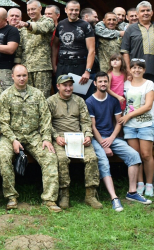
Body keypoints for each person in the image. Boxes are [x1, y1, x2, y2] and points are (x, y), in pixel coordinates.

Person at [0, 65, 61, 212]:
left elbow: (45, 118)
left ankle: (49, 199)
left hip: (33, 135)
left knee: (50, 157)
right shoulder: (6, 96)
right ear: (12, 76)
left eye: (24, 75)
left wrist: (46, 138)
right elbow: (3, 123)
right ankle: (11, 197)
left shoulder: (37, 94)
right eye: (18, 75)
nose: (22, 78)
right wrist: (13, 139)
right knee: (4, 155)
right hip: (11, 136)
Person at [86, 72, 150, 208]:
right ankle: (114, 197)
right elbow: (92, 127)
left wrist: (111, 138)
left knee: (134, 155)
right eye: (100, 81)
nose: (103, 84)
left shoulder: (113, 100)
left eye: (105, 81)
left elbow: (119, 122)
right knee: (103, 161)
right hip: (97, 139)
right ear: (95, 83)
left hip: (112, 137)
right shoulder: (89, 102)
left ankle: (132, 192)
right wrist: (104, 145)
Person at [46, 75, 102, 209]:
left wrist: (88, 135)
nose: (68, 88)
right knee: (61, 159)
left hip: (78, 138)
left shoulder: (79, 101)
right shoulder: (51, 101)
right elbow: (46, 123)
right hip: (61, 138)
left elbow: (86, 121)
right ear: (58, 86)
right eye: (64, 85)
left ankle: (91, 195)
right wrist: (55, 137)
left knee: (92, 158)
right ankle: (64, 194)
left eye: (70, 85)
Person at [120, 59, 154, 198]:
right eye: (134, 67)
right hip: (130, 126)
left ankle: (149, 184)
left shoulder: (149, 84)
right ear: (130, 69)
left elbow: (147, 106)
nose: (136, 70)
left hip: (145, 124)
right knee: (136, 156)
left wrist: (128, 116)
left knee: (146, 155)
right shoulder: (126, 84)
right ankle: (139, 183)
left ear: (144, 70)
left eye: (139, 68)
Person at [120, 1, 154, 110]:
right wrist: (128, 71)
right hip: (136, 71)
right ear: (137, 13)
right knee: (137, 101)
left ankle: (152, 126)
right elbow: (125, 52)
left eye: (148, 10)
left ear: (152, 12)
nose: (145, 13)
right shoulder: (130, 29)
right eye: (142, 11)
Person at [54, 0, 95, 96]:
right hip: (62, 66)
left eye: (76, 10)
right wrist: (54, 65)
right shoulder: (61, 25)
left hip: (79, 66)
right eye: (71, 9)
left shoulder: (85, 26)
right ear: (66, 10)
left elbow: (91, 50)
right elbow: (55, 46)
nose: (74, 12)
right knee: (60, 95)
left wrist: (87, 71)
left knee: (78, 96)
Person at [15, 0, 55, 94]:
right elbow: (19, 48)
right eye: (28, 10)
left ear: (40, 8)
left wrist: (27, 25)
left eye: (33, 9)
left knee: (42, 97)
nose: (30, 12)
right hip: (26, 69)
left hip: (42, 68)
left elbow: (43, 28)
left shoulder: (48, 20)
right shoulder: (24, 26)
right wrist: (17, 66)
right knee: (27, 97)